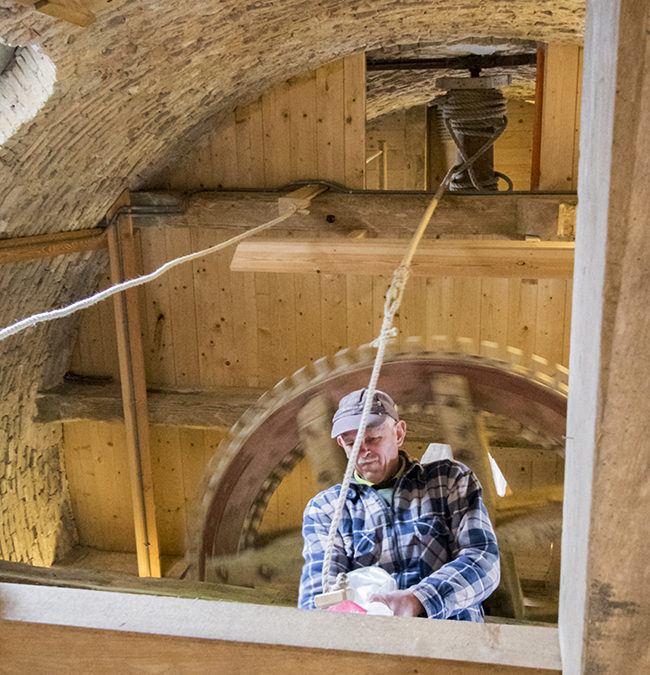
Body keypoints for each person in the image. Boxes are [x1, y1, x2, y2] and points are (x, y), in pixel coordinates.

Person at [298, 388, 500, 621]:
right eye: (352, 443)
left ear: (399, 433)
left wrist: (420, 599)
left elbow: (483, 560)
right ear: (341, 443)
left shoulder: (449, 481)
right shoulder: (326, 508)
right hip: (372, 646)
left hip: (450, 642)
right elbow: (318, 593)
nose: (363, 451)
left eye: (373, 439)